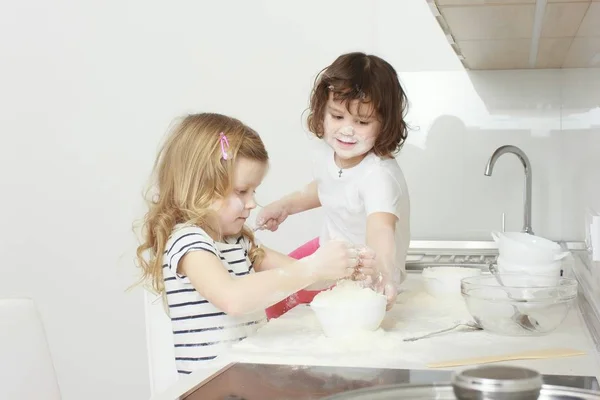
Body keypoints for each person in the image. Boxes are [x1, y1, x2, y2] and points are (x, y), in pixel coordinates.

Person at [135, 112, 374, 374]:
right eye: (241, 191)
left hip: (245, 382)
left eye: (254, 191)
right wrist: (314, 267)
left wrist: (347, 266)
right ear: (200, 186)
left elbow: (306, 277)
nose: (251, 203)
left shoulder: (237, 243)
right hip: (212, 389)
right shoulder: (188, 243)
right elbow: (233, 298)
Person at [257, 52, 411, 318]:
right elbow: (326, 188)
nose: (347, 130)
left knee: (311, 306)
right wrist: (285, 206)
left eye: (362, 122)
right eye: (337, 117)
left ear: (385, 124)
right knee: (273, 292)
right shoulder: (326, 153)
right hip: (330, 247)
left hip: (360, 267)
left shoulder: (378, 176)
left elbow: (381, 227)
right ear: (322, 112)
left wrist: (383, 273)